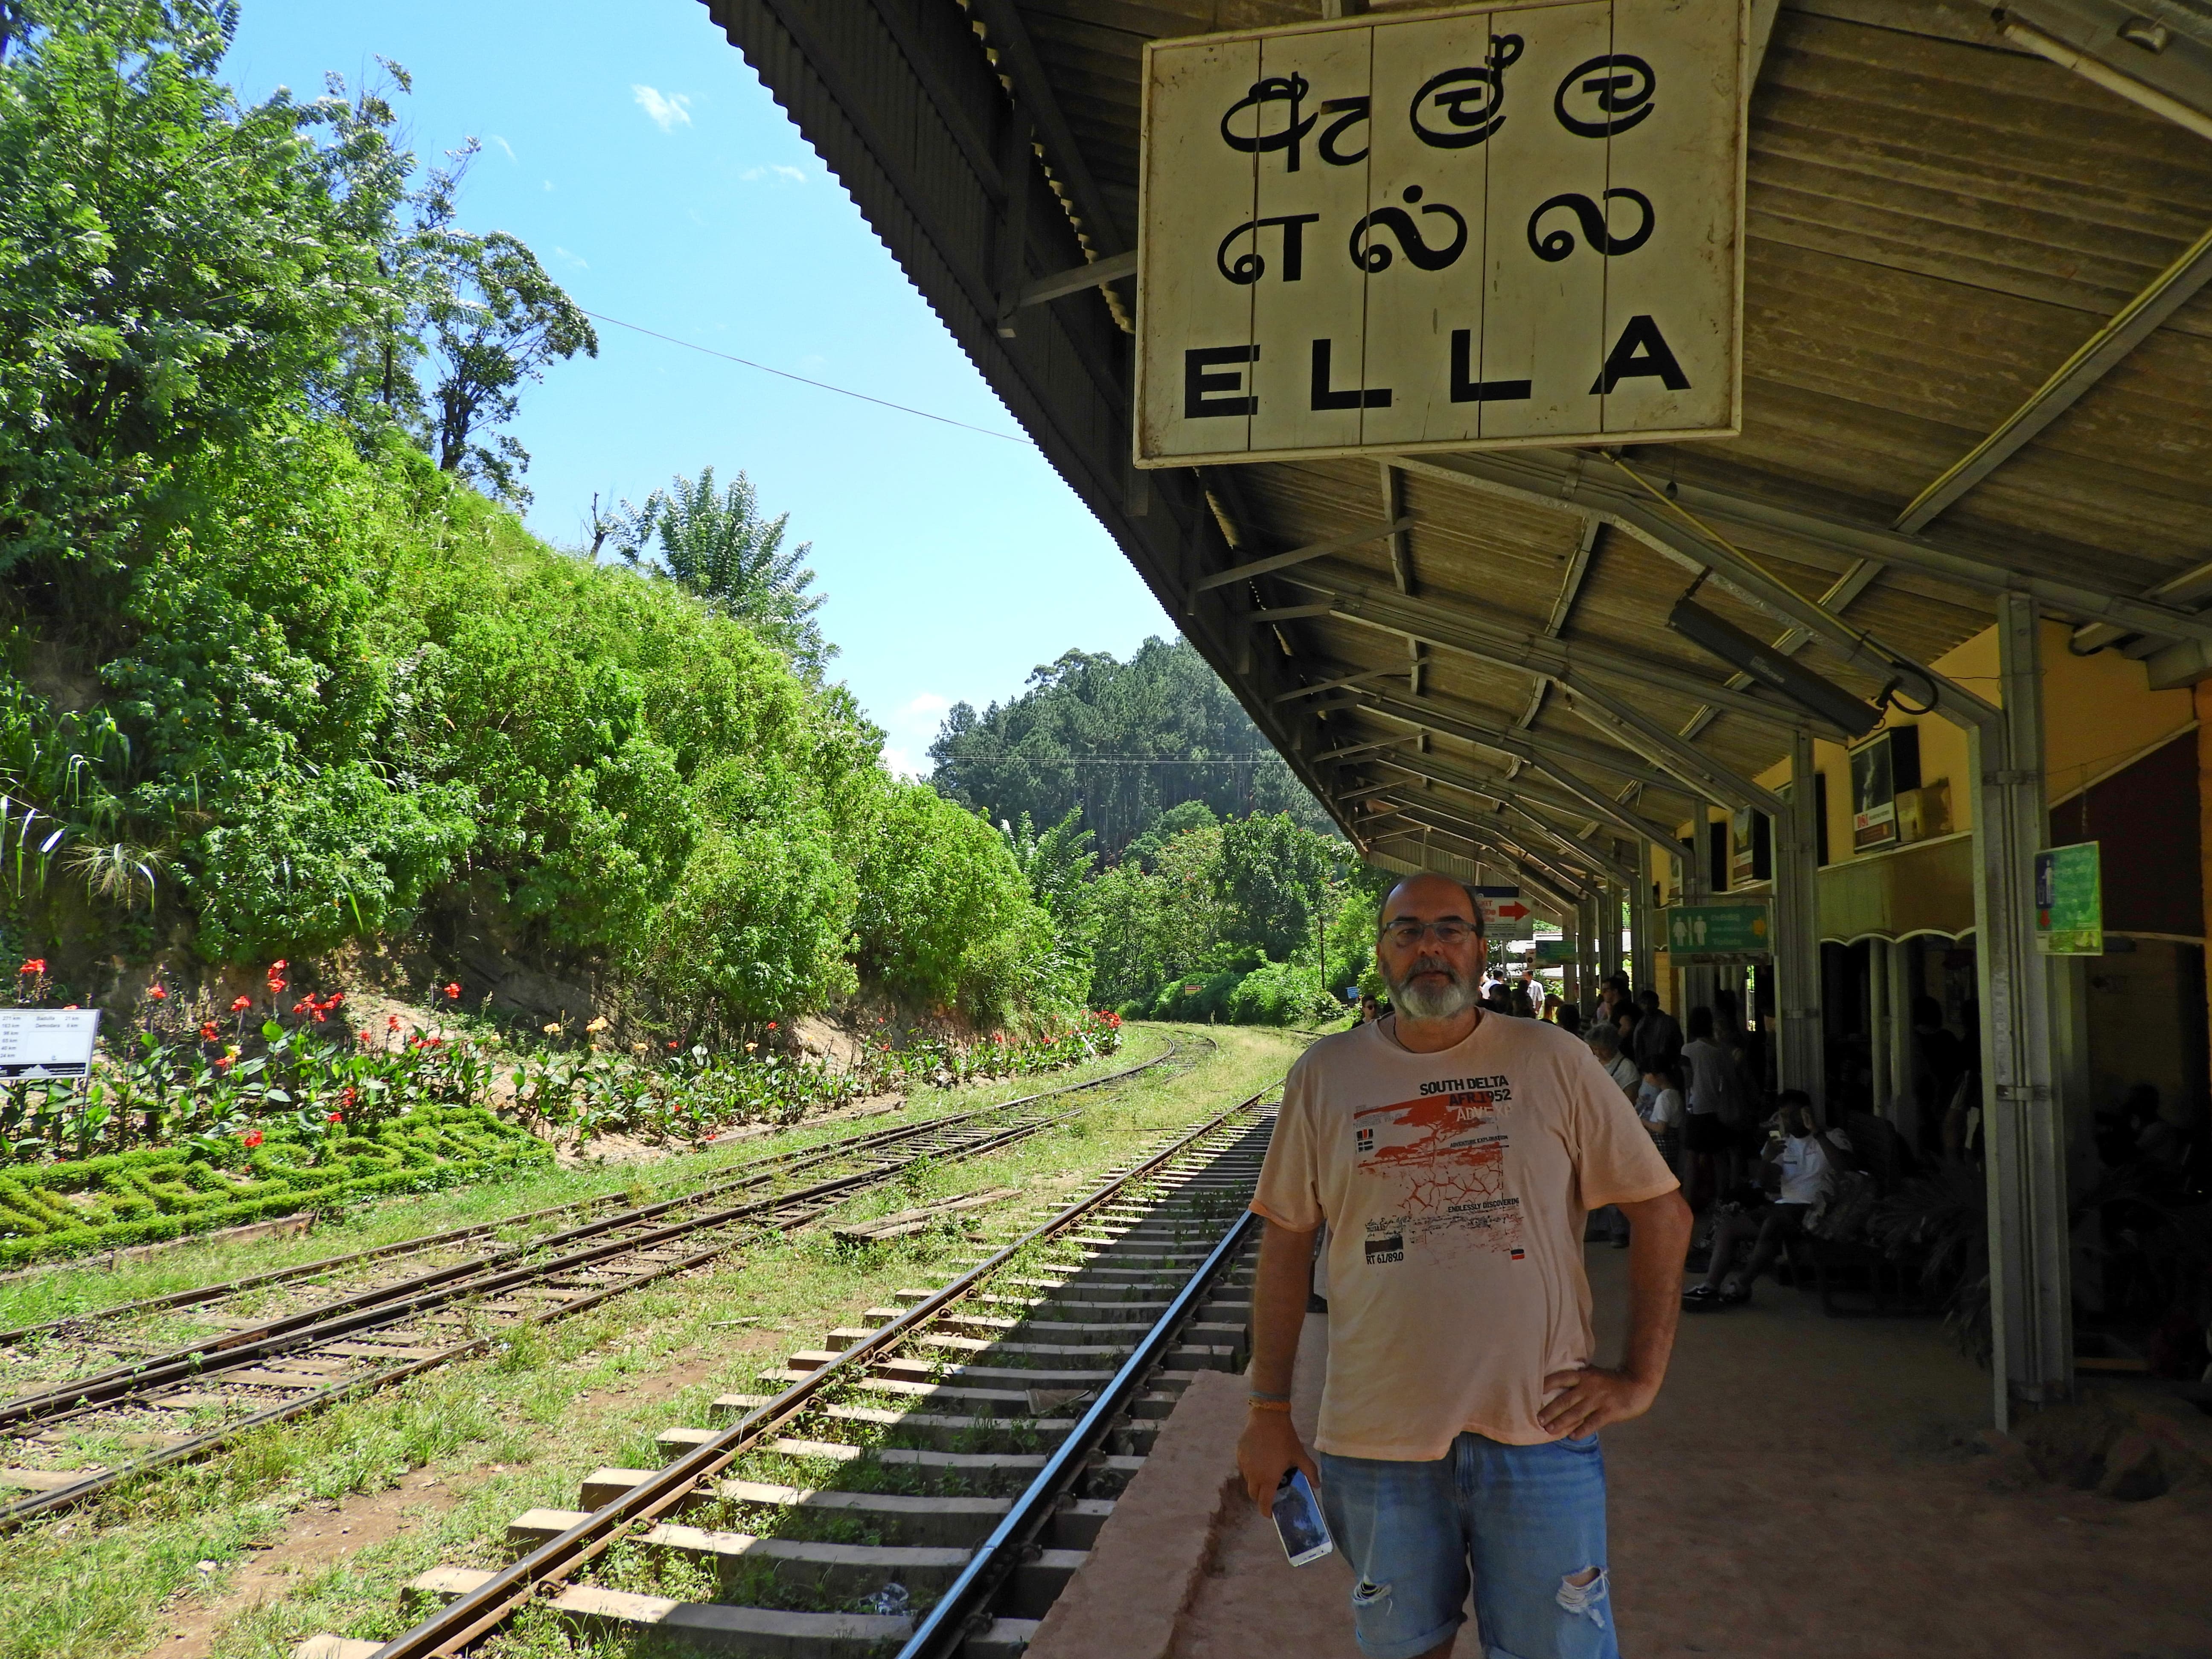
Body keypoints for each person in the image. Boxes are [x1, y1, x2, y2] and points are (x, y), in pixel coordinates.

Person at [1238, 873, 1692, 1659]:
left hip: (1540, 1429)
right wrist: (1267, 1412)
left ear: (1480, 951)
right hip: (1377, 1441)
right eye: (1407, 931)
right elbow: (1284, 1245)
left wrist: (1640, 1376)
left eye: (1450, 929)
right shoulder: (1324, 1074)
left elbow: (1664, 1212)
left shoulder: (1553, 1059)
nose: (1430, 948)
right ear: (1382, 953)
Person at [1683, 1090, 1852, 1308]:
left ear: (1807, 1113)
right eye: (1784, 1116)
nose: (1789, 1121)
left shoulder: (1832, 1136)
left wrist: (1816, 1132)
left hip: (1818, 1208)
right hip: (1785, 1207)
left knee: (1774, 1223)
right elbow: (1763, 1184)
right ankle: (1710, 1287)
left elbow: (1845, 1169)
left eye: (1794, 1115)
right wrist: (1767, 1160)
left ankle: (1742, 1285)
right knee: (1729, 1228)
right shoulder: (1782, 1142)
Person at [1677, 1007, 1737, 1208]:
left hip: (1696, 1107)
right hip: (1719, 1107)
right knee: (1719, 1156)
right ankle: (1722, 1199)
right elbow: (1729, 1078)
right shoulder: (1722, 1050)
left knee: (1692, 1157)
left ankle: (1687, 1203)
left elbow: (1687, 1080)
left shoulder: (1688, 1050)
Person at [1627, 989, 1682, 1076]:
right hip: (1647, 1068)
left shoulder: (1668, 1022)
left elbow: (1678, 1044)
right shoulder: (1641, 1024)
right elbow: (1638, 1047)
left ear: (1657, 1004)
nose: (1647, 1006)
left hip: (1666, 1068)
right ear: (1640, 1005)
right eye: (1644, 1003)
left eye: (1650, 1003)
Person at [1587, 1024, 1640, 1100]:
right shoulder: (1592, 1060)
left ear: (1613, 1046)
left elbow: (1630, 1099)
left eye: (1603, 1049)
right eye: (1595, 1049)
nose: (1599, 1053)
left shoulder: (1627, 1068)